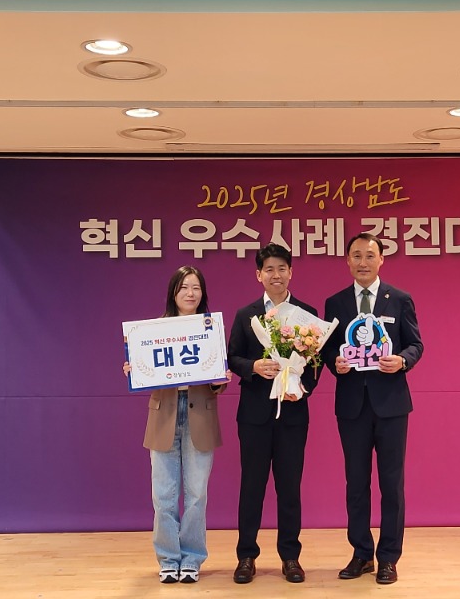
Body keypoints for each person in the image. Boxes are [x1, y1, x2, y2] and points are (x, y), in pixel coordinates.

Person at [323, 232, 424, 585]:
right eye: (356, 255)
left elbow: (416, 344)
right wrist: (334, 362)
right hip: (352, 405)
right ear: (347, 261)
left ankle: (389, 557)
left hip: (392, 405)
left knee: (392, 484)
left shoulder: (399, 299)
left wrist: (402, 360)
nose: (363, 262)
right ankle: (362, 553)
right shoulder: (335, 303)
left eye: (369, 255)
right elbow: (327, 349)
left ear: (381, 259)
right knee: (356, 483)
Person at [123, 265, 231, 584]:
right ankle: (169, 559)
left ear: (203, 293)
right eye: (184, 287)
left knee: (197, 495)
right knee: (164, 495)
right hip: (164, 417)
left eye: (196, 287)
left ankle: (193, 558)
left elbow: (217, 383)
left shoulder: (211, 329)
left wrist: (220, 379)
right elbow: (147, 372)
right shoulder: (151, 332)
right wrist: (135, 368)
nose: (190, 293)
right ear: (173, 292)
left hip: (200, 416)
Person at [227, 243, 319, 584]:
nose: (276, 275)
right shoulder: (246, 315)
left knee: (290, 488)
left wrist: (301, 386)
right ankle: (246, 556)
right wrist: (253, 366)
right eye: (269, 269)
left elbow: (316, 363)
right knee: (251, 486)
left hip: (293, 413)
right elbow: (232, 357)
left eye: (282, 268)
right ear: (258, 275)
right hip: (254, 415)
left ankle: (290, 556)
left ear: (291, 272)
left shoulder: (307, 315)